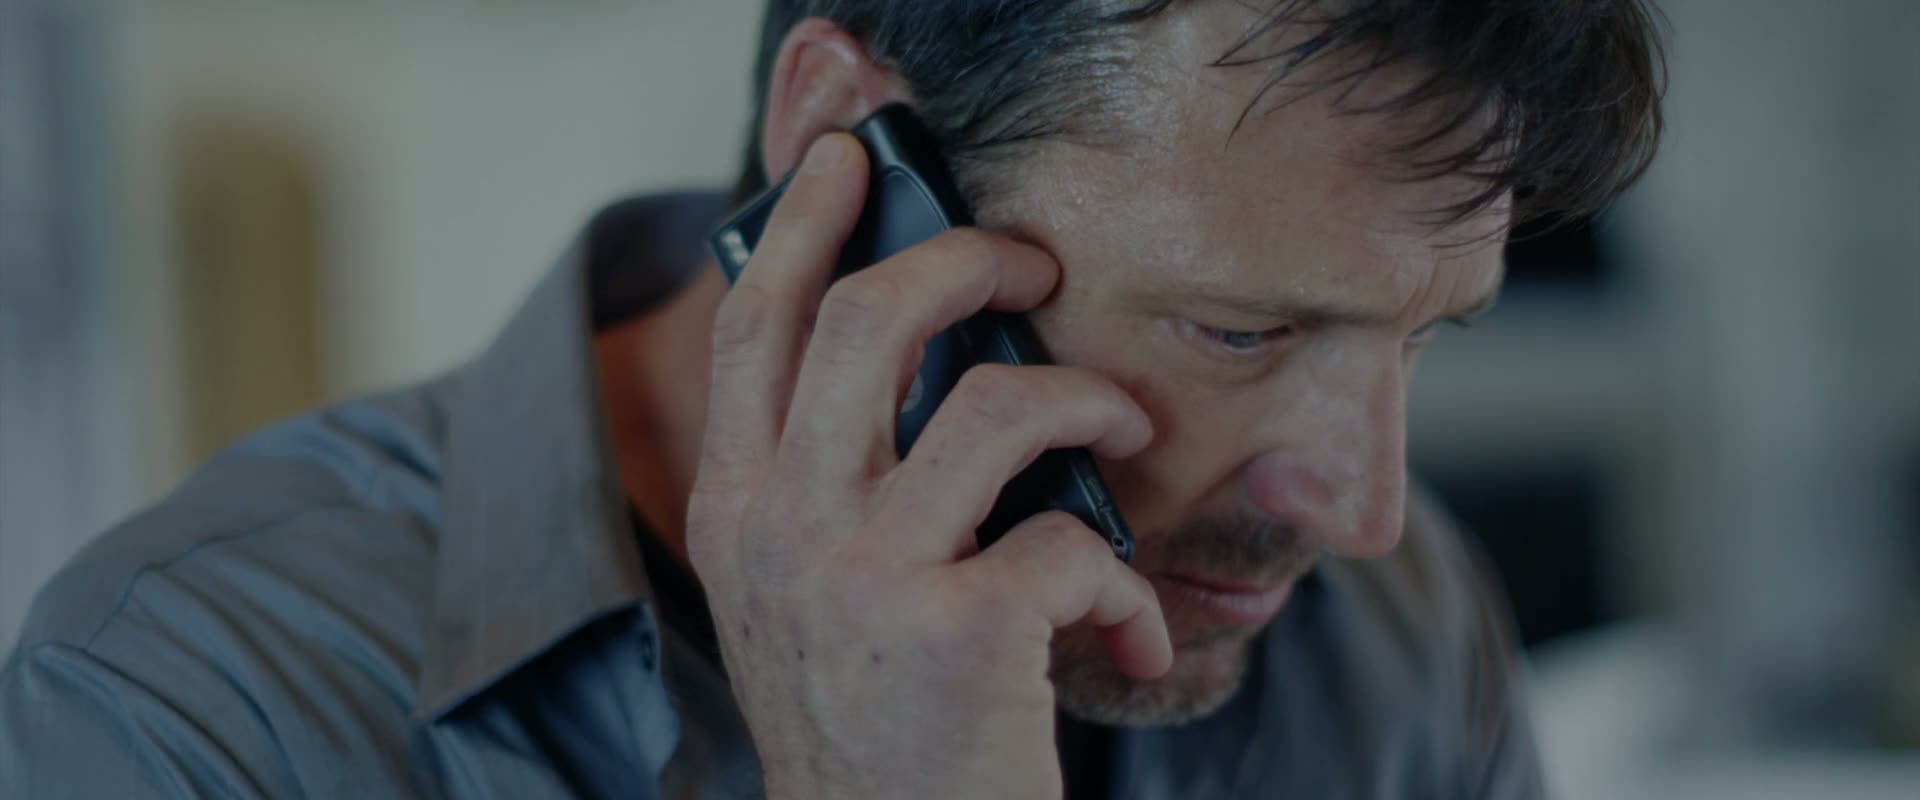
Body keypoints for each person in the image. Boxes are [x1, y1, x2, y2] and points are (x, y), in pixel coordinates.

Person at [1, 1, 1664, 797]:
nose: (1362, 511)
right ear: (845, 163)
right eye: (1239, 333)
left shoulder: (1392, 642)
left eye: (1424, 337)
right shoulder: (192, 710)